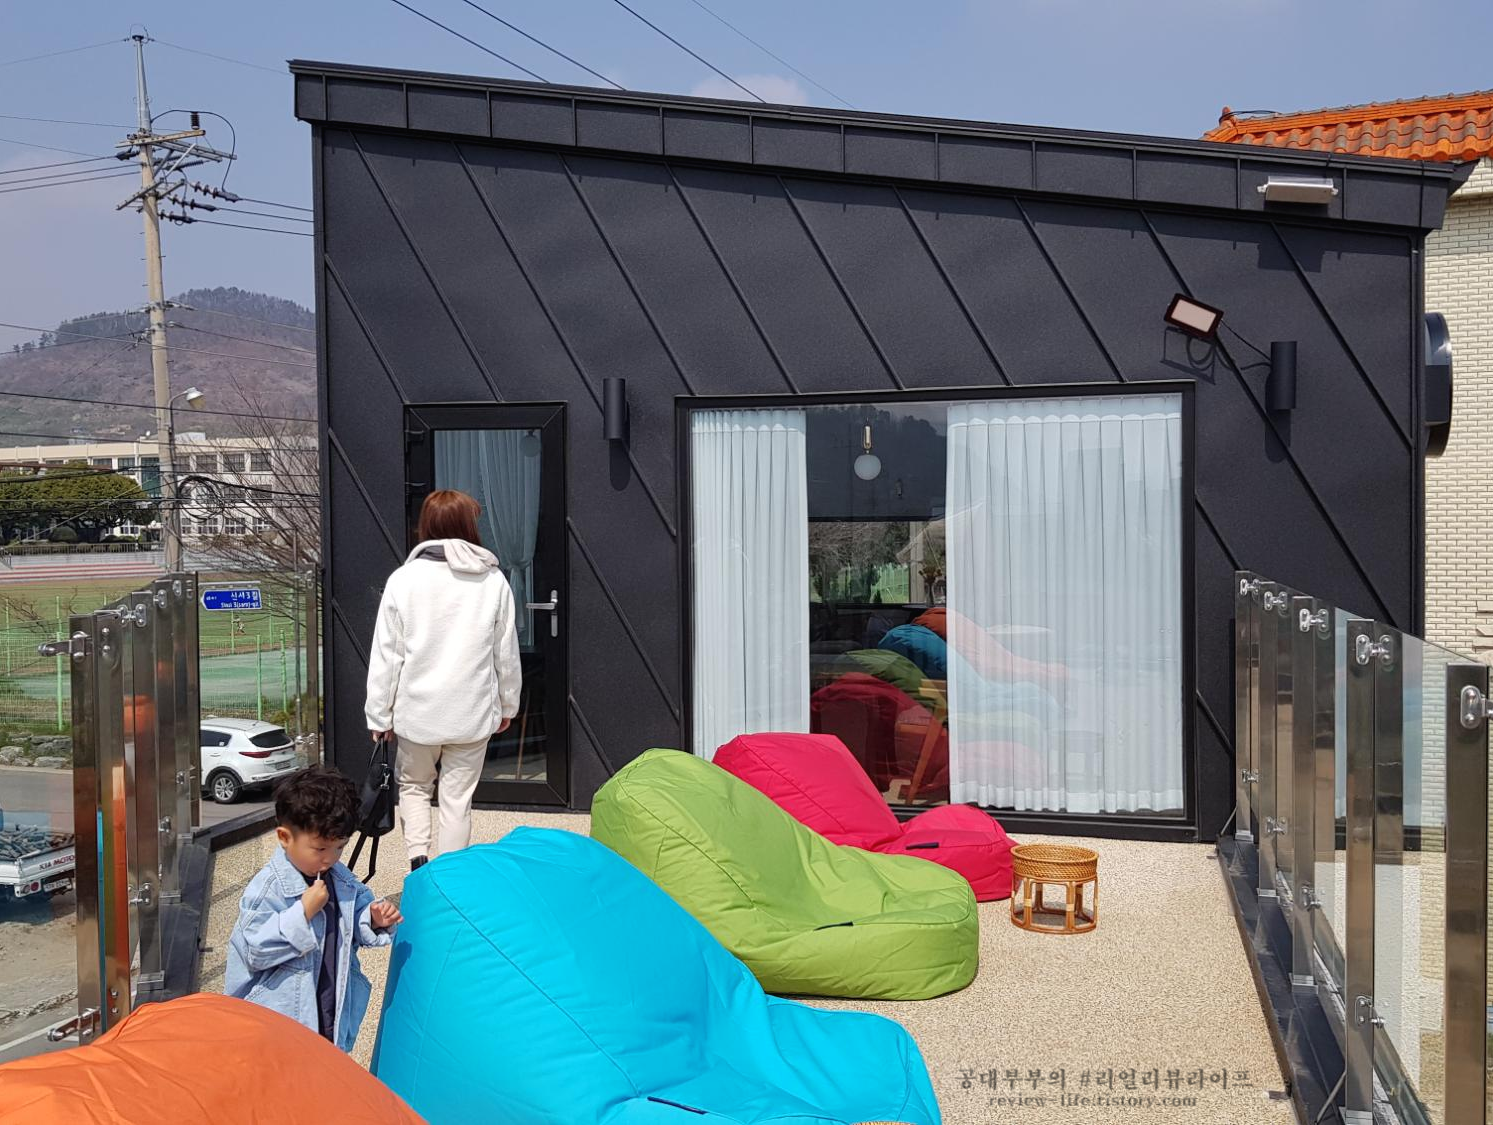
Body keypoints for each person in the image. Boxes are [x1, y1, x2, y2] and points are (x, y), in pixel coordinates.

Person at [365, 488, 522, 871]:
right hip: (471, 714)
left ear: (427, 526)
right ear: (468, 526)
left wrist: (379, 714)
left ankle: (420, 864)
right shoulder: (492, 581)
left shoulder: (404, 580)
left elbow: (387, 654)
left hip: (417, 715)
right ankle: (451, 877)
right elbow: (505, 652)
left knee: (414, 787)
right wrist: (508, 704)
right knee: (457, 801)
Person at [225, 766, 402, 1051]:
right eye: (320, 849)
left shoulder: (340, 880)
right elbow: (255, 951)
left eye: (340, 848)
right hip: (279, 1020)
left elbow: (355, 916)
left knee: (323, 1064)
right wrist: (302, 913)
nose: (330, 858)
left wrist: (372, 917)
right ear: (285, 838)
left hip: (328, 1008)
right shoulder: (268, 888)